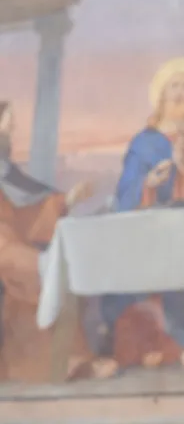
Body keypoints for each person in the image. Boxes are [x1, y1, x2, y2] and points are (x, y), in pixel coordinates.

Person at [97, 57, 184, 373]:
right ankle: (157, 346)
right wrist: (149, 184)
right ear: (161, 95)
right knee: (137, 271)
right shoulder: (145, 141)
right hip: (149, 230)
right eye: (174, 87)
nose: (180, 93)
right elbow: (125, 193)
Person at [0, 102, 106, 382]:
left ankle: (68, 360)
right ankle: (63, 362)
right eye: (8, 121)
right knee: (44, 273)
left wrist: (67, 200)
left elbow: (27, 210)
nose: (13, 127)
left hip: (12, 241)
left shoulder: (5, 168)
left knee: (61, 269)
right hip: (4, 247)